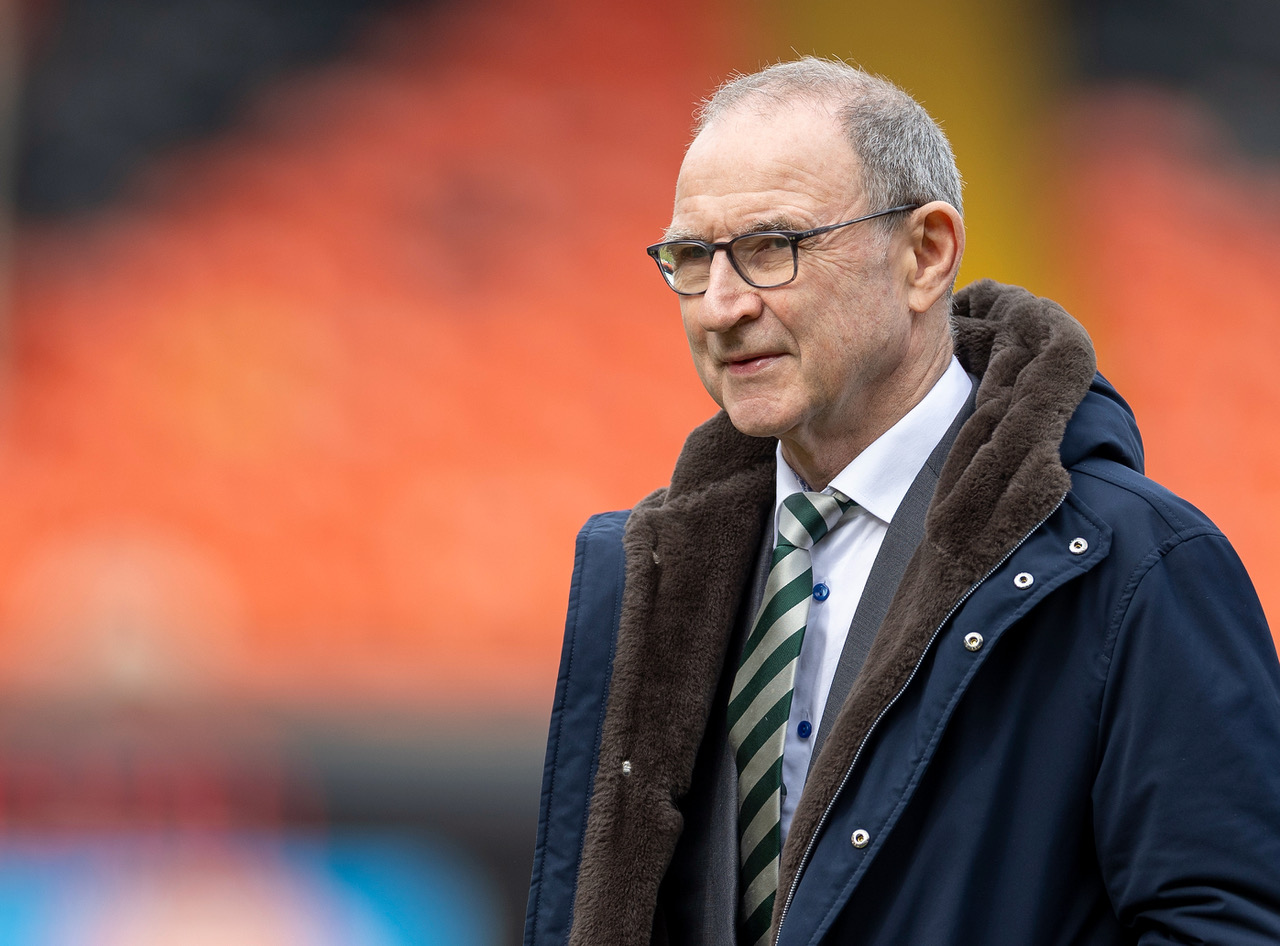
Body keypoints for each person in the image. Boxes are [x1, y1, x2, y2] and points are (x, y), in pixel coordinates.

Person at [523, 58, 1280, 946]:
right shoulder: (643, 575)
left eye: (773, 247)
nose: (721, 306)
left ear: (926, 254)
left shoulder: (1138, 565)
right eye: (692, 257)